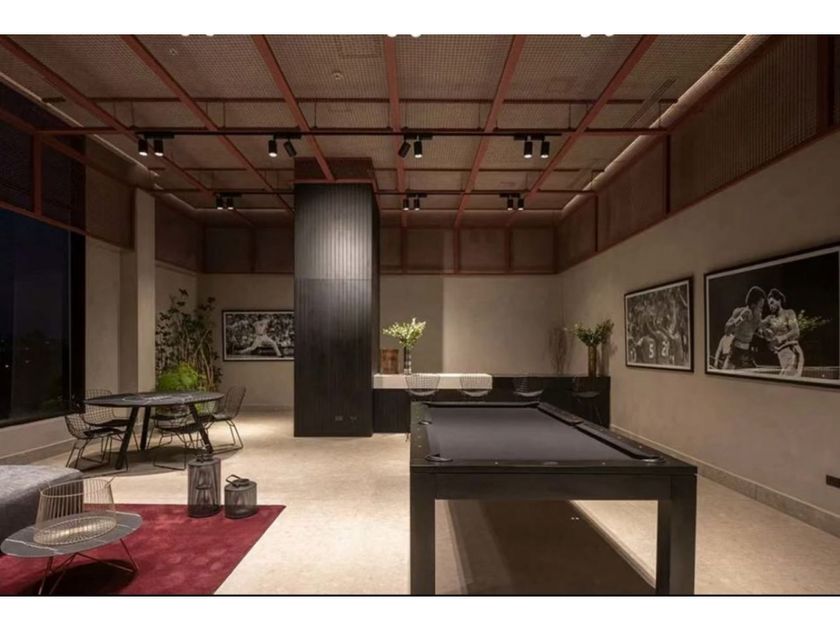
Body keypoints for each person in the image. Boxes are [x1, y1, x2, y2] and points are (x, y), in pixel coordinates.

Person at [719, 286, 766, 370]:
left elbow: (758, 331)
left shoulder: (758, 317)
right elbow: (727, 331)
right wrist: (740, 318)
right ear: (753, 305)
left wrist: (763, 332)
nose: (761, 310)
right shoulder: (739, 312)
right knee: (727, 375)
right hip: (735, 352)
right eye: (760, 307)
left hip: (748, 354)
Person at [762, 288, 804, 377]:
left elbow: (796, 331)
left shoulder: (789, 313)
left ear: (779, 301)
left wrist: (781, 338)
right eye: (769, 304)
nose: (770, 306)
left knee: (786, 381)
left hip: (792, 352)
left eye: (772, 302)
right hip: (781, 356)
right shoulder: (770, 319)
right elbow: (758, 325)